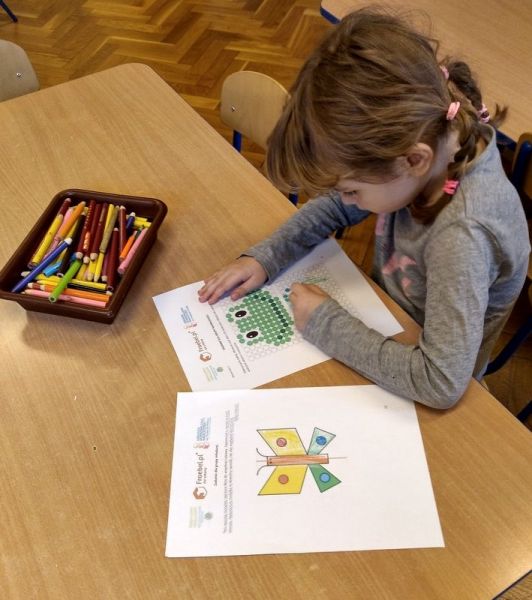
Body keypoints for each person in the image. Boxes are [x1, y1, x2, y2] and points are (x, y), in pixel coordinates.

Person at [198, 7, 530, 409]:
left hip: (429, 381)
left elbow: (441, 381)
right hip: (387, 326)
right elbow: (336, 206)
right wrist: (268, 256)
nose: (345, 200)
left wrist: (325, 324)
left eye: (352, 190)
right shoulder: (426, 146)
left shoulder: (462, 236)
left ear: (413, 160)